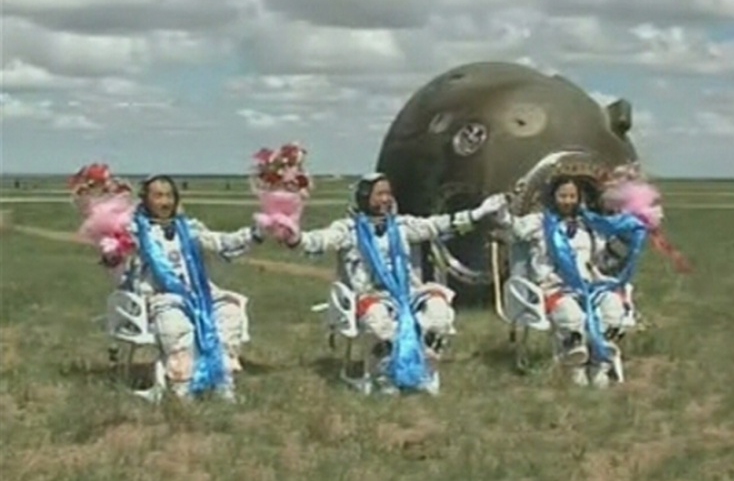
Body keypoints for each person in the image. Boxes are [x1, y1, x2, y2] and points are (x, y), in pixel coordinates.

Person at [274, 172, 508, 395]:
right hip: (369, 294)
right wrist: (295, 237)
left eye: (388, 193)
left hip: (407, 292)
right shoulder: (347, 230)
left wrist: (479, 213)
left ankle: (425, 370)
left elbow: (438, 225)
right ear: (364, 197)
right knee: (378, 320)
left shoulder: (403, 226)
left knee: (439, 313)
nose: (386, 199)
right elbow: (317, 241)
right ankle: (383, 375)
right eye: (380, 194)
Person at [101, 174, 265, 401]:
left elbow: (220, 242)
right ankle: (182, 390)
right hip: (158, 297)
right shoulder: (134, 232)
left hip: (198, 294)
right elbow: (117, 264)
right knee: (174, 325)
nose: (165, 202)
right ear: (146, 200)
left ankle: (222, 381)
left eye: (169, 196)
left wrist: (255, 234)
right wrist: (112, 254)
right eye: (158, 196)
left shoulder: (188, 228)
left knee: (229, 311)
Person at [498, 175, 648, 388]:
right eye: (563, 196)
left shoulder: (590, 224)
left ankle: (600, 366)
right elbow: (513, 228)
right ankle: (574, 368)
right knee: (570, 316)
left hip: (590, 284)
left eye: (572, 196)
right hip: (555, 286)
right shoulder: (539, 222)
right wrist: (501, 208)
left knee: (613, 309)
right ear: (553, 197)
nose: (568, 201)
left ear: (579, 198)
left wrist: (631, 231)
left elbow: (605, 256)